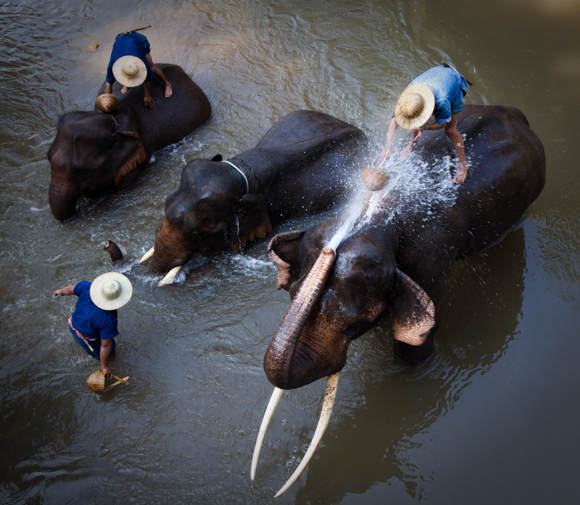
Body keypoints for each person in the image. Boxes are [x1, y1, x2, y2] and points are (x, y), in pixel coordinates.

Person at [379, 63, 470, 183]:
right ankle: (412, 144)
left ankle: (463, 165)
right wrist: (388, 145)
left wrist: (425, 127)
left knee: (451, 131)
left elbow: (443, 123)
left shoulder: (441, 101)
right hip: (437, 75)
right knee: (414, 121)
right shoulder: (409, 96)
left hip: (454, 82)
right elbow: (395, 118)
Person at [53, 272, 132, 377]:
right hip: (87, 338)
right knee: (111, 351)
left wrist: (60, 292)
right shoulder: (109, 317)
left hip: (73, 325)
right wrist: (105, 367)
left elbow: (70, 289)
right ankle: (107, 365)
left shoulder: (87, 288)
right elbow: (105, 345)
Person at [104, 30, 172, 109]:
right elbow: (109, 83)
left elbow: (147, 78)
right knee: (128, 71)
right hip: (121, 40)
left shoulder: (142, 64)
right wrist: (107, 101)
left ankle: (167, 83)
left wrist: (147, 95)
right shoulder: (112, 65)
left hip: (137, 40)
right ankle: (126, 85)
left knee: (152, 67)